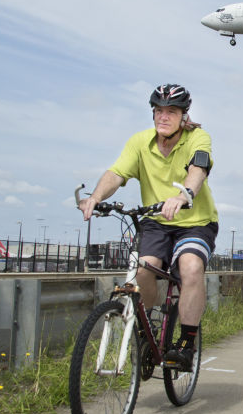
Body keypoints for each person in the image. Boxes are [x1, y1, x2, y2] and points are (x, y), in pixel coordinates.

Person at [78, 84, 218, 370]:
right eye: (158, 111)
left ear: (184, 116)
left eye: (171, 112)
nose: (163, 117)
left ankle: (186, 344)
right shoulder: (140, 142)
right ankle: (148, 329)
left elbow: (198, 169)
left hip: (195, 222)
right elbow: (117, 173)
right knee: (143, 269)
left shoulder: (197, 137)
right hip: (155, 222)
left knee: (191, 268)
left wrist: (184, 195)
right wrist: (95, 197)